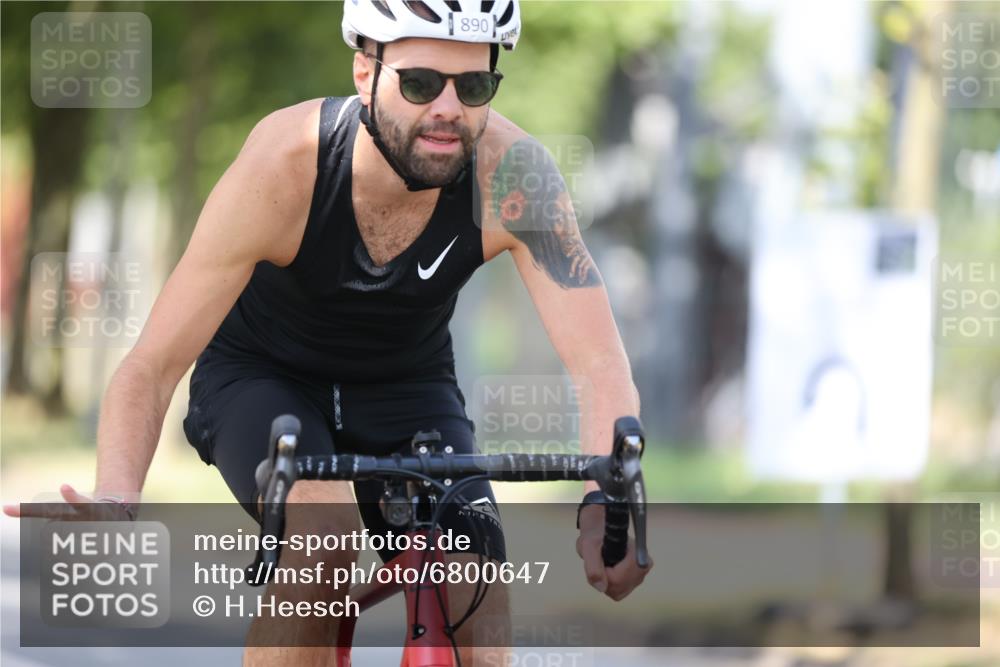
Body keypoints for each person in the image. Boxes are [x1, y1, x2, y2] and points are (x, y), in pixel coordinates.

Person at [6, 1, 652, 664]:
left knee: (478, 585)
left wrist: (609, 499)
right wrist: (118, 495)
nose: (449, 110)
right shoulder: (285, 166)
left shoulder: (517, 178)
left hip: (408, 388)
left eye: (475, 86)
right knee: (320, 539)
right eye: (421, 83)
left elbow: (599, 363)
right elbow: (153, 363)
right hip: (263, 377)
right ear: (364, 71)